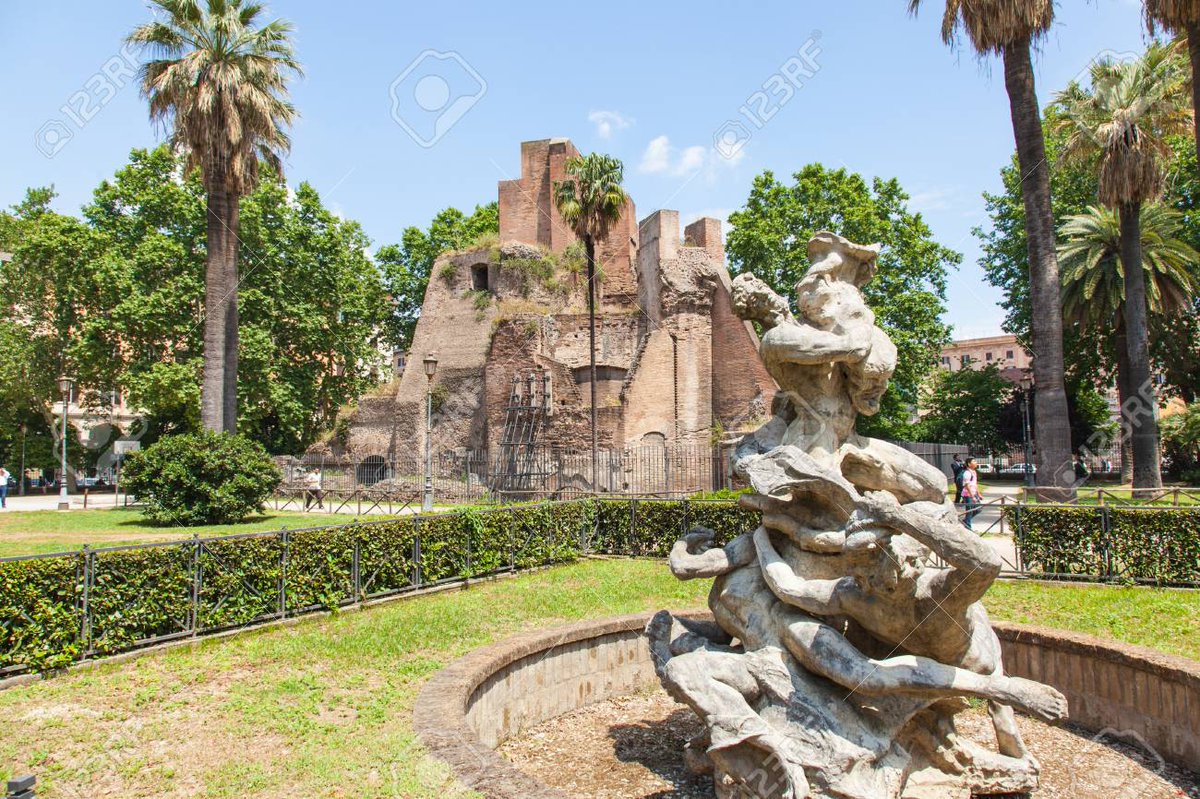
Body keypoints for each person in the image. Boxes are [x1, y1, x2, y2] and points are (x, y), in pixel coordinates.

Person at [961, 456, 983, 530]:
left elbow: (974, 484)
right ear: (969, 464)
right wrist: (972, 496)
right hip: (968, 495)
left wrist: (978, 493)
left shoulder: (974, 472)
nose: (976, 463)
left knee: (978, 509)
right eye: (974, 461)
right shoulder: (967, 473)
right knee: (969, 511)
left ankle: (965, 521)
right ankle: (968, 527)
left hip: (974, 494)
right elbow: (967, 485)